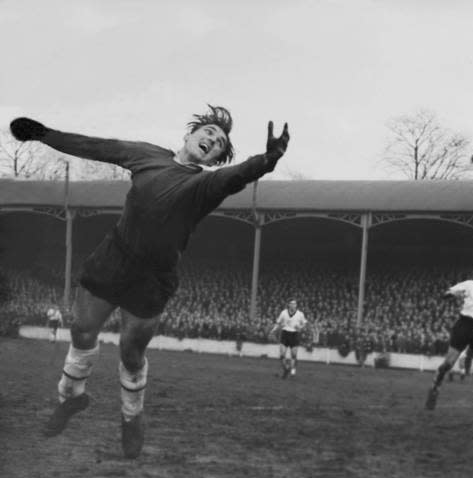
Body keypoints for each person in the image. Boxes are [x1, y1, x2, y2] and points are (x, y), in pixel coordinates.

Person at [9, 105, 290, 459]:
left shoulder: (205, 184)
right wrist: (43, 134)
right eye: (208, 132)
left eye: (219, 143)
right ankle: (71, 398)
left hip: (153, 278)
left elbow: (237, 176)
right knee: (81, 330)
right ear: (190, 134)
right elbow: (97, 147)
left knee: (131, 352)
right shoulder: (147, 155)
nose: (212, 140)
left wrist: (268, 160)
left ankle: (131, 418)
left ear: (216, 158)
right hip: (114, 258)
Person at [426, 261, 473, 410]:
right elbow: (448, 292)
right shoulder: (470, 285)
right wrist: (450, 294)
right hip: (465, 325)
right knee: (448, 363)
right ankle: (435, 387)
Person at [269, 298, 307, 378]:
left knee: (293, 355)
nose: (293, 305)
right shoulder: (283, 313)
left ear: (296, 305)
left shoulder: (300, 314)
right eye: (291, 303)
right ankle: (286, 368)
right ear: (289, 305)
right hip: (285, 333)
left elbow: (304, 324)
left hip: (294, 334)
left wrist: (300, 327)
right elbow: (278, 323)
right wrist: (273, 331)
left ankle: (292, 369)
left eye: (294, 304)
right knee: (282, 355)